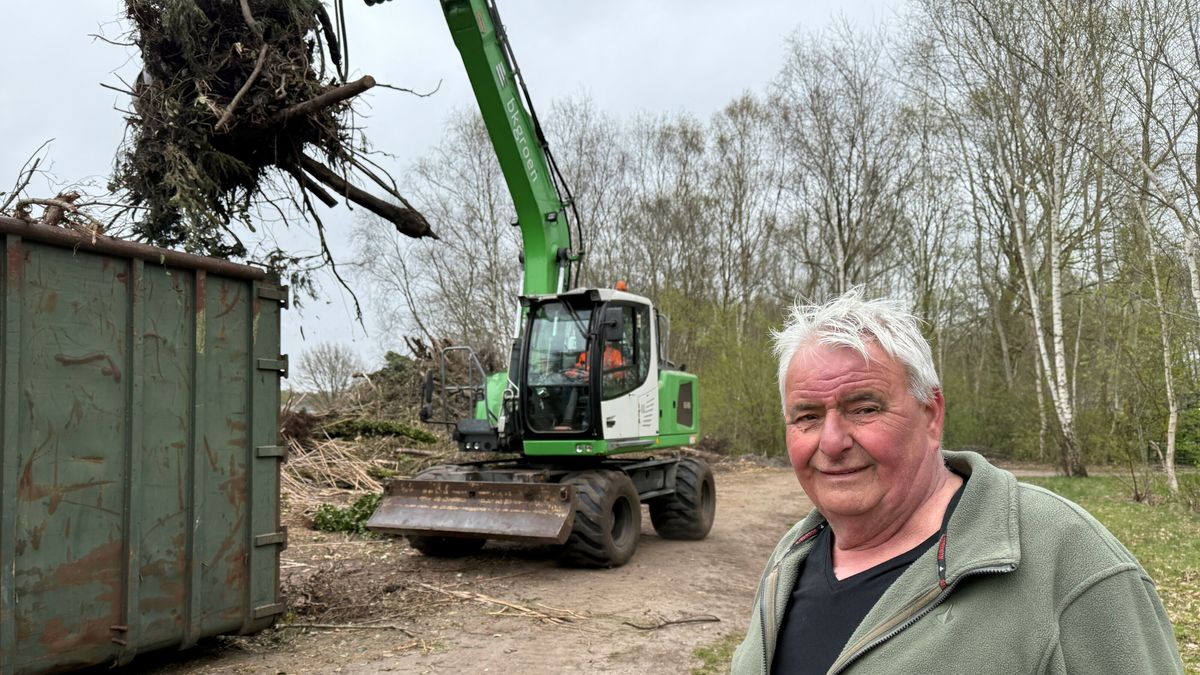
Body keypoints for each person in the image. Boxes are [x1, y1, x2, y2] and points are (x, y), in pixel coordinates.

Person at [731, 288, 1183, 675]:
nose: (831, 442)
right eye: (807, 417)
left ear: (931, 415)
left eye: (864, 409)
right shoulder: (793, 554)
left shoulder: (1067, 560)